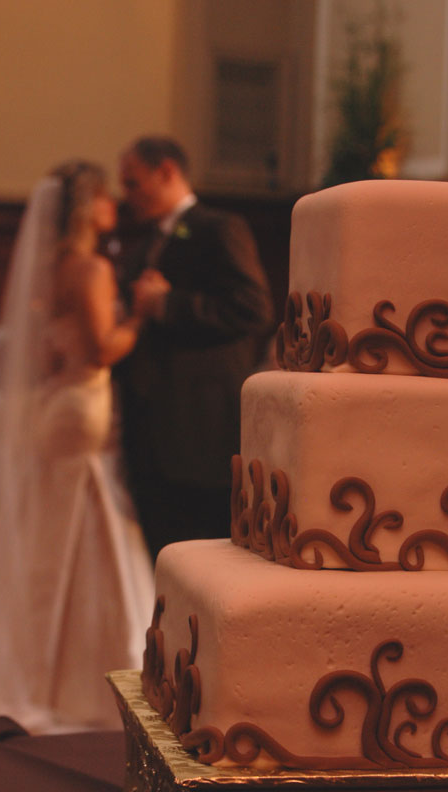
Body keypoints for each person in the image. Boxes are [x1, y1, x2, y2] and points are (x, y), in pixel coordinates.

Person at [0, 161, 157, 742]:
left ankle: (41, 663)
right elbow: (100, 349)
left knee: (56, 528)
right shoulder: (90, 268)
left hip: (53, 405)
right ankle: (81, 675)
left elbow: (42, 349)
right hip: (80, 404)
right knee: (86, 526)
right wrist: (140, 316)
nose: (113, 205)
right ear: (84, 207)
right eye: (103, 198)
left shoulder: (46, 268)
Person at [115, 135, 274, 558]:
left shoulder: (217, 228)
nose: (126, 197)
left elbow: (252, 309)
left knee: (201, 556)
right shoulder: (144, 245)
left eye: (132, 183)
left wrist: (168, 303)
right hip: (148, 429)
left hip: (200, 429)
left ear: (165, 171)